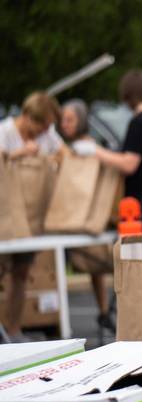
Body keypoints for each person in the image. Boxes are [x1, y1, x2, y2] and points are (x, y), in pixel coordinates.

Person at [78, 69, 142, 255]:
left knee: (138, 260)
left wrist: (95, 151)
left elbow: (129, 163)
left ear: (127, 94)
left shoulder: (139, 123)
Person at [0, 91, 65, 343]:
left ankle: (13, 330)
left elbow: (63, 155)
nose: (43, 132)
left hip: (31, 223)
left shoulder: (46, 134)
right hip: (6, 220)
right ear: (28, 117)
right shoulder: (5, 131)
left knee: (21, 273)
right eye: (41, 125)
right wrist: (20, 155)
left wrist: (45, 158)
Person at [58, 99, 115, 332]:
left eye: (70, 119)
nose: (65, 124)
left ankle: (104, 312)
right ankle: (103, 312)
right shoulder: (70, 147)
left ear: (81, 121)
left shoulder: (88, 149)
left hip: (85, 218)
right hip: (70, 218)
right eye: (63, 120)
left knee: (98, 264)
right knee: (95, 268)